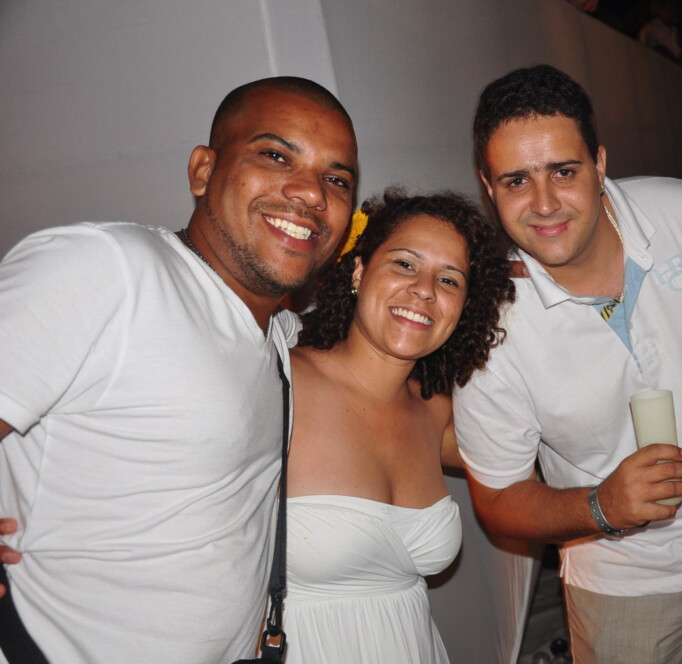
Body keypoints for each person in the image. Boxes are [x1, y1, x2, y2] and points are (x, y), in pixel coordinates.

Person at [0, 76, 358, 663]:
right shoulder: (111, 268)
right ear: (203, 171)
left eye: (337, 180)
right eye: (275, 156)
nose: (311, 194)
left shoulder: (283, 338)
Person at [453, 64, 682, 663]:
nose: (545, 204)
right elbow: (499, 500)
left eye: (563, 171)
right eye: (517, 181)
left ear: (598, 164)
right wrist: (602, 505)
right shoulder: (488, 325)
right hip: (622, 589)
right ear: (489, 188)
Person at [280, 188, 514, 663]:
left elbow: (538, 454)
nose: (425, 290)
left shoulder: (439, 415)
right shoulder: (280, 381)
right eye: (405, 264)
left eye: (448, 280)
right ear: (359, 271)